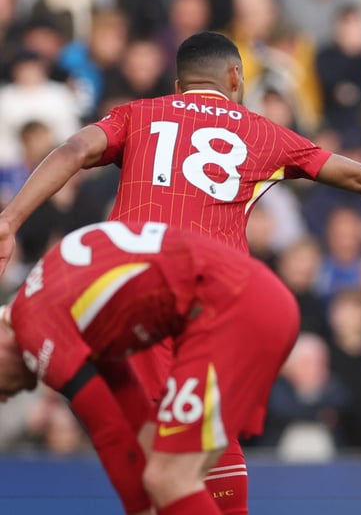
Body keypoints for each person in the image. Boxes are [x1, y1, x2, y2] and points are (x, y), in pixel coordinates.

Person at [0, 30, 361, 514]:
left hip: (145, 297)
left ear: (177, 86)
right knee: (204, 448)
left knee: (159, 456)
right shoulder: (265, 133)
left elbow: (73, 150)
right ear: (236, 80)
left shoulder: (138, 114)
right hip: (225, 306)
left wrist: (9, 220)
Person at [0, 220, 304, 515]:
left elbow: (110, 434)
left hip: (229, 311)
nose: (3, 398)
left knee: (167, 477)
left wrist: (139, 509)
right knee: (167, 461)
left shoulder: (35, 327)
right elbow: (136, 422)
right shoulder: (55, 307)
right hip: (258, 300)